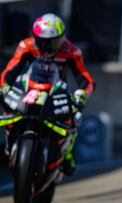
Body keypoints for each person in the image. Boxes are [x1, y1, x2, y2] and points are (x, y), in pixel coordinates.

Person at [0, 13, 95, 176]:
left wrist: (82, 93)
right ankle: (8, 144)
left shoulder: (72, 51)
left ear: (62, 38)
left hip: (56, 91)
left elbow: (85, 79)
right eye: (42, 42)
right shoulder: (26, 45)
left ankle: (67, 155)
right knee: (8, 107)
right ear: (35, 37)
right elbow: (10, 70)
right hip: (30, 89)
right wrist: (5, 85)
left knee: (76, 116)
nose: (47, 47)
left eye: (52, 42)